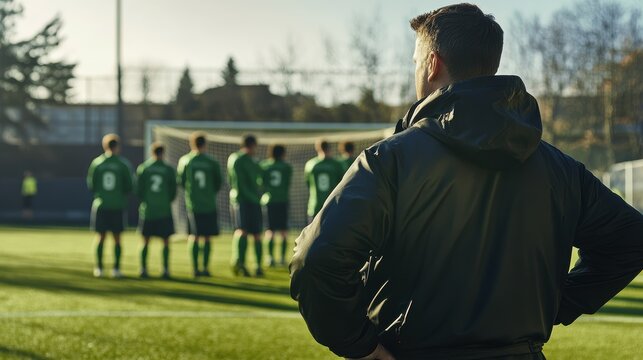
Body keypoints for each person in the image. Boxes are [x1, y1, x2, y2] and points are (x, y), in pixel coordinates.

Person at [290, 4, 643, 360]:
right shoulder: (561, 168)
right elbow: (631, 238)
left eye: (415, 60)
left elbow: (315, 258)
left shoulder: (390, 160)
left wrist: (359, 345)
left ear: (432, 64)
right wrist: (557, 304)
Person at [87, 134, 133, 278]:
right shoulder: (123, 164)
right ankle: (116, 269)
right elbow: (129, 186)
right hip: (117, 205)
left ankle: (99, 268)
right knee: (117, 238)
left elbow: (91, 185)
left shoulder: (97, 163)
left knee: (100, 237)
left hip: (101, 205)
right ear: (117, 146)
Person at [177, 132, 222, 278]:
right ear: (205, 144)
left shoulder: (185, 160)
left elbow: (181, 181)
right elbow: (218, 182)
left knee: (194, 236)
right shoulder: (212, 161)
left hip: (193, 204)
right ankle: (206, 267)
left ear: (192, 143)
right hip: (209, 204)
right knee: (207, 237)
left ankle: (195, 268)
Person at [136, 142, 177, 279]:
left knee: (145, 241)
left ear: (151, 152)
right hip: (164, 210)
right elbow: (173, 191)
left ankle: (143, 269)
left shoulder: (144, 168)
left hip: (148, 210)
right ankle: (165, 270)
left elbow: (138, 190)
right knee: (165, 241)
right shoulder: (168, 169)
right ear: (163, 152)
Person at [228, 135, 264, 277]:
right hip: (241, 201)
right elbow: (237, 183)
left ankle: (257, 266)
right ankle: (239, 261)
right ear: (252, 145)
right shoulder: (237, 159)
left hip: (253, 201)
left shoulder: (254, 162)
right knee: (242, 231)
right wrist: (255, 196)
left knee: (256, 234)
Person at [260, 144, 293, 267]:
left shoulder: (264, 166)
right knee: (284, 231)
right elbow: (287, 182)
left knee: (270, 231)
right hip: (282, 200)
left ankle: (270, 258)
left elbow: (261, 182)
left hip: (269, 200)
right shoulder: (286, 167)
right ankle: (283, 258)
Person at [303, 140, 344, 223]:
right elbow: (342, 184)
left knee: (313, 235)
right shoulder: (337, 165)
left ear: (317, 148)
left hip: (315, 205)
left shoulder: (310, 165)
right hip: (332, 205)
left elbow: (308, 183)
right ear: (329, 148)